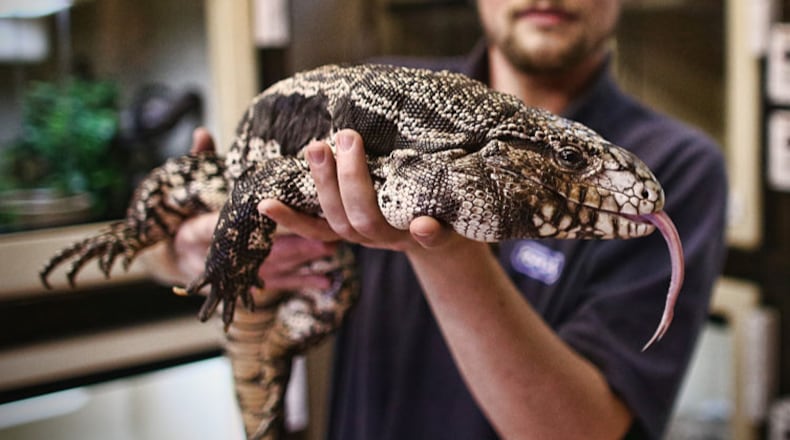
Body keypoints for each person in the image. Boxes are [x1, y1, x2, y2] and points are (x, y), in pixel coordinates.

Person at [157, 0, 728, 438]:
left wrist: (444, 242)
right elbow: (184, 243)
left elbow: (585, 431)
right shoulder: (379, 93)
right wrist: (193, 248)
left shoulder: (679, 168)